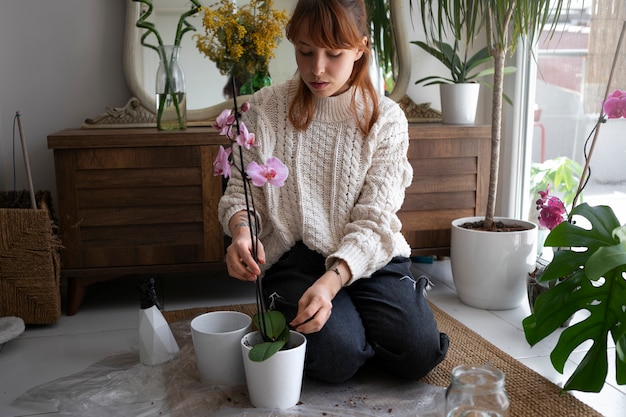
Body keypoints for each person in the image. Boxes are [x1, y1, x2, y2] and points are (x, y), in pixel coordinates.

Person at [218, 0, 449, 384]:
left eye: (333, 54)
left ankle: (363, 323)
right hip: (295, 257)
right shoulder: (263, 109)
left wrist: (333, 282)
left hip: (367, 254)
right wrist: (241, 232)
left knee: (420, 353)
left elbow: (375, 219)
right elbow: (242, 194)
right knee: (337, 357)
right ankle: (353, 336)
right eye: (305, 52)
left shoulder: (385, 119)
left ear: (360, 48)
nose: (317, 68)